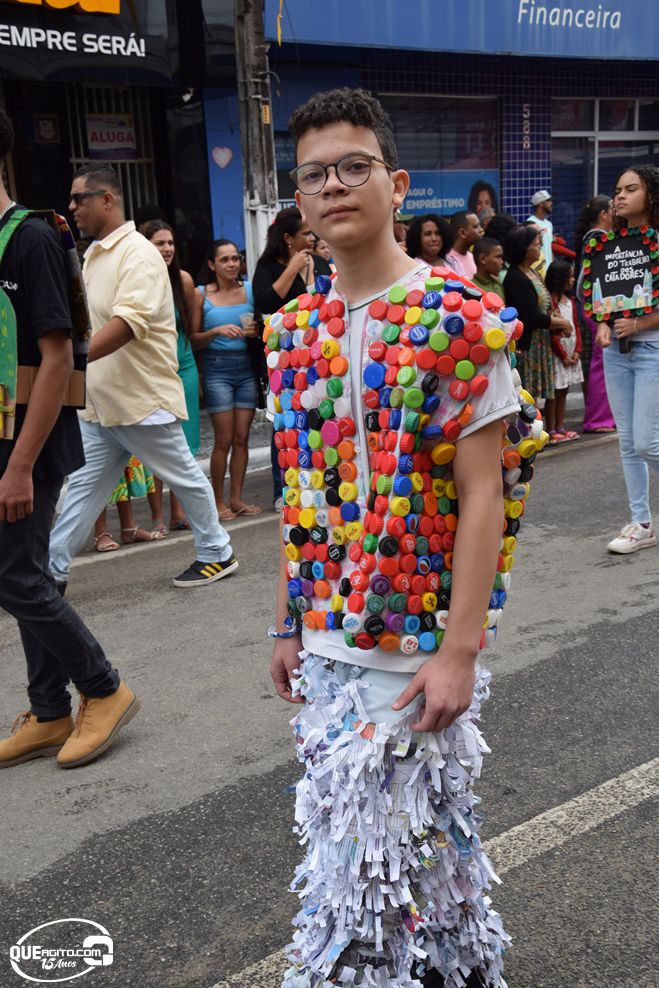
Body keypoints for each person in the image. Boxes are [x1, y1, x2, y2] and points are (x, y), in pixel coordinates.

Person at [268, 86, 539, 988]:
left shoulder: (456, 317)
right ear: (298, 199)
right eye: (314, 175)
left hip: (412, 643)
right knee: (426, 861)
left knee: (362, 877)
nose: (333, 186)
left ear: (397, 183)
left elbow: (483, 494)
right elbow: (298, 493)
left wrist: (459, 652)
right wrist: (285, 621)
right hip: (323, 637)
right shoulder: (291, 331)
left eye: (354, 167)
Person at [0, 110, 139, 770]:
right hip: (5, 437)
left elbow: (58, 359)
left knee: (16, 577)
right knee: (20, 574)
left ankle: (103, 689)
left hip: (26, 443)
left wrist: (20, 465)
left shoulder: (29, 239)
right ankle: (50, 710)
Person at [48, 164, 238, 589]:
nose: (72, 207)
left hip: (140, 400)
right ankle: (51, 571)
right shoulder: (94, 254)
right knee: (82, 490)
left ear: (107, 200)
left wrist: (71, 363)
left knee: (184, 477)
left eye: (79, 198)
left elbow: (127, 324)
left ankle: (217, 551)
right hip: (101, 404)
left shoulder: (138, 254)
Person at [253, 207, 332, 512]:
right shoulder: (268, 267)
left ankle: (322, 482)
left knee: (321, 420)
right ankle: (282, 488)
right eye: (305, 234)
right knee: (285, 424)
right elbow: (266, 303)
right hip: (285, 360)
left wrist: (311, 270)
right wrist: (292, 269)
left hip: (321, 356)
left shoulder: (321, 262)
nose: (311, 238)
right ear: (288, 238)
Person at [597, 165, 659, 554]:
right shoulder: (609, 244)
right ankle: (641, 523)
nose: (620, 196)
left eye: (631, 189)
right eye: (618, 189)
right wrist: (603, 324)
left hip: (652, 348)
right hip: (616, 352)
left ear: (651, 195)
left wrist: (640, 323)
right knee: (628, 442)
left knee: (647, 442)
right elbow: (601, 295)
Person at [193, 239, 261, 521]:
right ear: (212, 264)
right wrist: (216, 331)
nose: (232, 264)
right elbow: (193, 339)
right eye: (225, 259)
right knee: (223, 439)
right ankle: (218, 501)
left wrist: (256, 331)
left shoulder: (250, 290)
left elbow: (263, 326)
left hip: (246, 367)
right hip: (216, 368)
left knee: (242, 437)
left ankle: (236, 498)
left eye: (235, 258)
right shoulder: (200, 294)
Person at [143, 219, 203, 530]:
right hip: (152, 370)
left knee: (185, 443)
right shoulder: (138, 280)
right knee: (155, 441)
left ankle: (179, 513)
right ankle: (157, 516)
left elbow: (190, 330)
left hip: (185, 366)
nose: (167, 249)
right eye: (159, 243)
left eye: (170, 243)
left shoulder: (184, 280)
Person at [502, 225, 571, 401]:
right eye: (536, 243)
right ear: (524, 248)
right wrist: (563, 323)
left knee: (536, 397)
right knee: (526, 396)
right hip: (528, 346)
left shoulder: (531, 271)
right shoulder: (515, 278)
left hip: (540, 342)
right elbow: (531, 316)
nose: (540, 246)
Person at [574, 196, 616, 434]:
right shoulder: (599, 239)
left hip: (595, 307)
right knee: (602, 361)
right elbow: (590, 279)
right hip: (598, 308)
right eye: (612, 209)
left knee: (603, 360)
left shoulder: (592, 237)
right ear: (603, 214)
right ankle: (598, 419)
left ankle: (605, 416)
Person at [545, 260, 582, 443]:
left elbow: (576, 326)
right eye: (570, 276)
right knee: (554, 391)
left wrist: (577, 350)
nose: (573, 280)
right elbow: (552, 334)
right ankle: (551, 429)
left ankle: (560, 426)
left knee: (564, 390)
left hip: (570, 352)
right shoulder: (550, 303)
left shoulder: (571, 302)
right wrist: (563, 355)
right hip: (558, 355)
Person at [445, 210, 483, 279]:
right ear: (462, 233)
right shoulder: (448, 261)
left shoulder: (472, 256)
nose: (481, 230)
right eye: (475, 227)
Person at [526, 190, 554, 268]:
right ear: (540, 204)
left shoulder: (549, 224)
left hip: (548, 270)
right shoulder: (531, 223)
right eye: (548, 200)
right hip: (537, 269)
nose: (551, 203)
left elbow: (549, 248)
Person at [472, 236, 505, 300]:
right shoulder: (472, 288)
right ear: (483, 259)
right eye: (498, 257)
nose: (502, 262)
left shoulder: (498, 285)